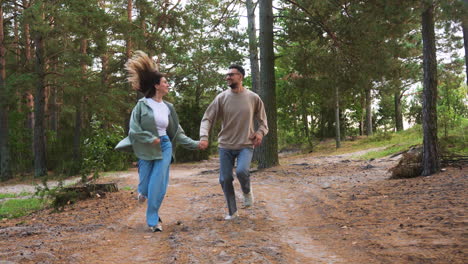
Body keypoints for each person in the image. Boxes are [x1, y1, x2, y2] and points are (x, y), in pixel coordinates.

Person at [115, 51, 201, 232]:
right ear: (156, 86)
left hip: (164, 146)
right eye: (164, 82)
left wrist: (195, 144)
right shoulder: (142, 105)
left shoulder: (168, 107)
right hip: (145, 148)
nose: (167, 84)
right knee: (145, 185)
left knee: (158, 183)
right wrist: (149, 138)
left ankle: (153, 220)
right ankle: (143, 193)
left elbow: (176, 132)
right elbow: (134, 129)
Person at [199, 64, 268, 220]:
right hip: (225, 146)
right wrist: (204, 136)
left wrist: (260, 133)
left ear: (241, 77)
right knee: (225, 179)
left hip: (245, 145)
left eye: (231, 74)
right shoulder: (221, 98)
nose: (228, 77)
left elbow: (263, 122)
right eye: (227, 74)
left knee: (242, 171)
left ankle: (246, 191)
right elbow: (207, 118)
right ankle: (232, 212)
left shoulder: (253, 98)